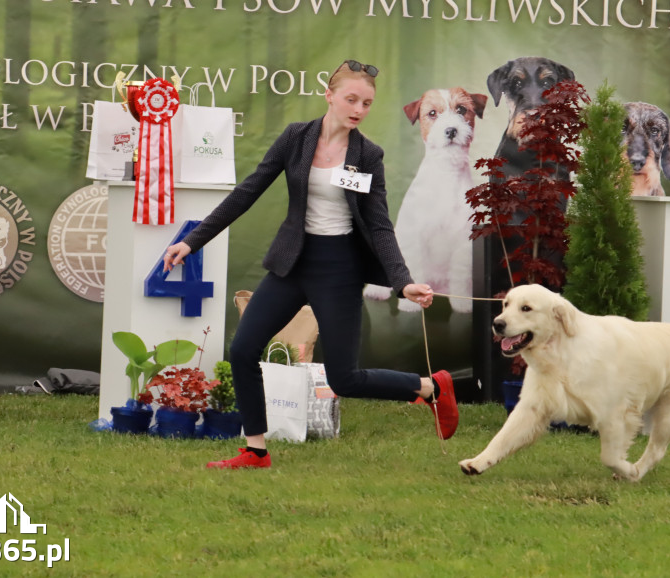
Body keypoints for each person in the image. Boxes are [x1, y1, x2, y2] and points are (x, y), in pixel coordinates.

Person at [163, 59, 458, 470]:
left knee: (344, 379)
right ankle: (256, 450)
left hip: (340, 271)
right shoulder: (296, 138)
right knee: (244, 349)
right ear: (330, 96)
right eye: (351, 98)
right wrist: (192, 241)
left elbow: (378, 225)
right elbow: (248, 191)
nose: (358, 108)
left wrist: (402, 282)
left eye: (367, 103)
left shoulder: (368, 155)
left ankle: (430, 388)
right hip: (293, 263)